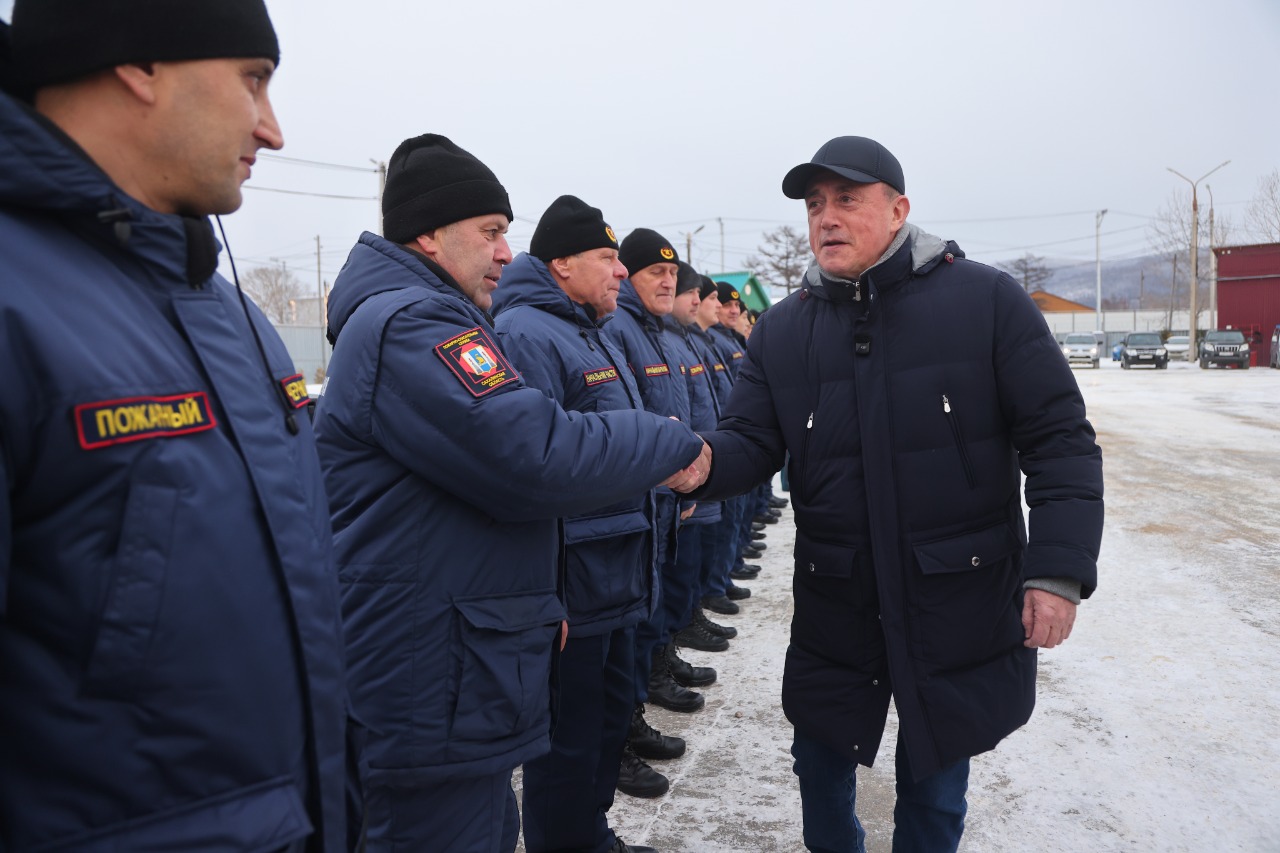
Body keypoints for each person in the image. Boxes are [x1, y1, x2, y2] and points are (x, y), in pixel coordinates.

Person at [683, 136, 1104, 852]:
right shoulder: (783, 329)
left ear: (899, 209)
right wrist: (696, 462)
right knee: (819, 768)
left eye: (847, 199)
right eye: (815, 204)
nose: (826, 217)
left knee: (934, 785)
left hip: (957, 593)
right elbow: (749, 441)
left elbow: (1060, 442)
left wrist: (1058, 573)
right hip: (837, 598)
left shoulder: (986, 302)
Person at [0, 2, 350, 850]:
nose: (272, 130)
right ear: (138, 62)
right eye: (253, 80)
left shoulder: (232, 316)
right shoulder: (16, 301)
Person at [314, 139, 707, 852]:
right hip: (428, 670)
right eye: (491, 231)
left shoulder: (436, 315)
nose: (506, 252)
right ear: (429, 234)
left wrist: (538, 596)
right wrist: (668, 440)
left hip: (458, 655)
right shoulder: (412, 323)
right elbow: (534, 456)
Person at [490, 195, 669, 853]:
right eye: (606, 257)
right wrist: (545, 590)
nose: (620, 271)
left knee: (604, 721)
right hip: (573, 579)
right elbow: (532, 467)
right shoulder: (526, 334)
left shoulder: (589, 329)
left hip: (612, 569)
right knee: (568, 738)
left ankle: (590, 835)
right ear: (561, 263)